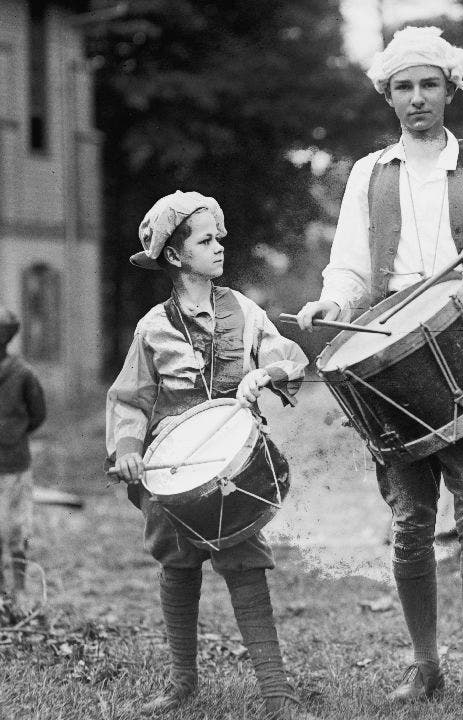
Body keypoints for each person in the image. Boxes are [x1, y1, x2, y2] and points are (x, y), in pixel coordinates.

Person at [296, 26, 463, 720]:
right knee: (410, 522)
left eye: (429, 85)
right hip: (390, 358)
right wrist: (329, 302)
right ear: (388, 95)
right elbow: (349, 268)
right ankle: (424, 667)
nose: (417, 98)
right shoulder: (368, 173)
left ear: (449, 89)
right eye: (404, 87)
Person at [105, 191, 314, 720]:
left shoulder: (243, 312)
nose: (219, 246)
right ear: (176, 257)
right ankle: (182, 683)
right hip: (173, 472)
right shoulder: (154, 326)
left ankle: (276, 694)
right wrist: (128, 449)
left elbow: (288, 357)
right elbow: (130, 397)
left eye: (219, 236)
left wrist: (267, 372)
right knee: (177, 563)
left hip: (231, 466)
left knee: (245, 563)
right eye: (205, 240)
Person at [0, 307, 46, 599]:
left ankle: (16, 591)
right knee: (15, 527)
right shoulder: (24, 371)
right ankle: (8, 593)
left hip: (15, 465)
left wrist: (13, 435)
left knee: (17, 528)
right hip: (15, 460)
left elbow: (37, 414)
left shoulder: (23, 374)